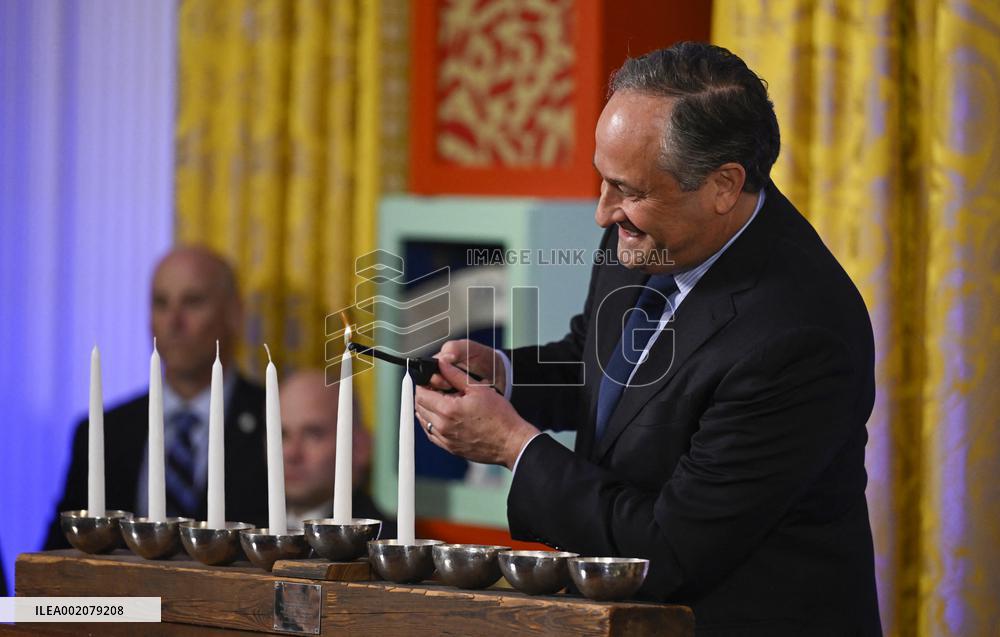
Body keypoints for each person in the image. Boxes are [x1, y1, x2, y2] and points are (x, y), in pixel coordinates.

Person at [414, 42, 881, 635]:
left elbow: (668, 550)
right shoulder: (647, 230)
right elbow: (603, 362)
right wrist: (505, 375)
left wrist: (514, 446)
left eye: (629, 190)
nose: (603, 213)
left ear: (722, 185)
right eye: (603, 181)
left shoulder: (799, 333)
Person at [44, 246, 269, 548]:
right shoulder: (104, 432)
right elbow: (57, 565)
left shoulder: (278, 425)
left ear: (234, 314)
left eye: (193, 302)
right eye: (161, 303)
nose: (173, 321)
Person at [280, 370, 392, 536]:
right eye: (282, 435)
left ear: (359, 446)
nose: (290, 453)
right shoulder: (246, 536)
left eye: (313, 434)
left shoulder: (382, 544)